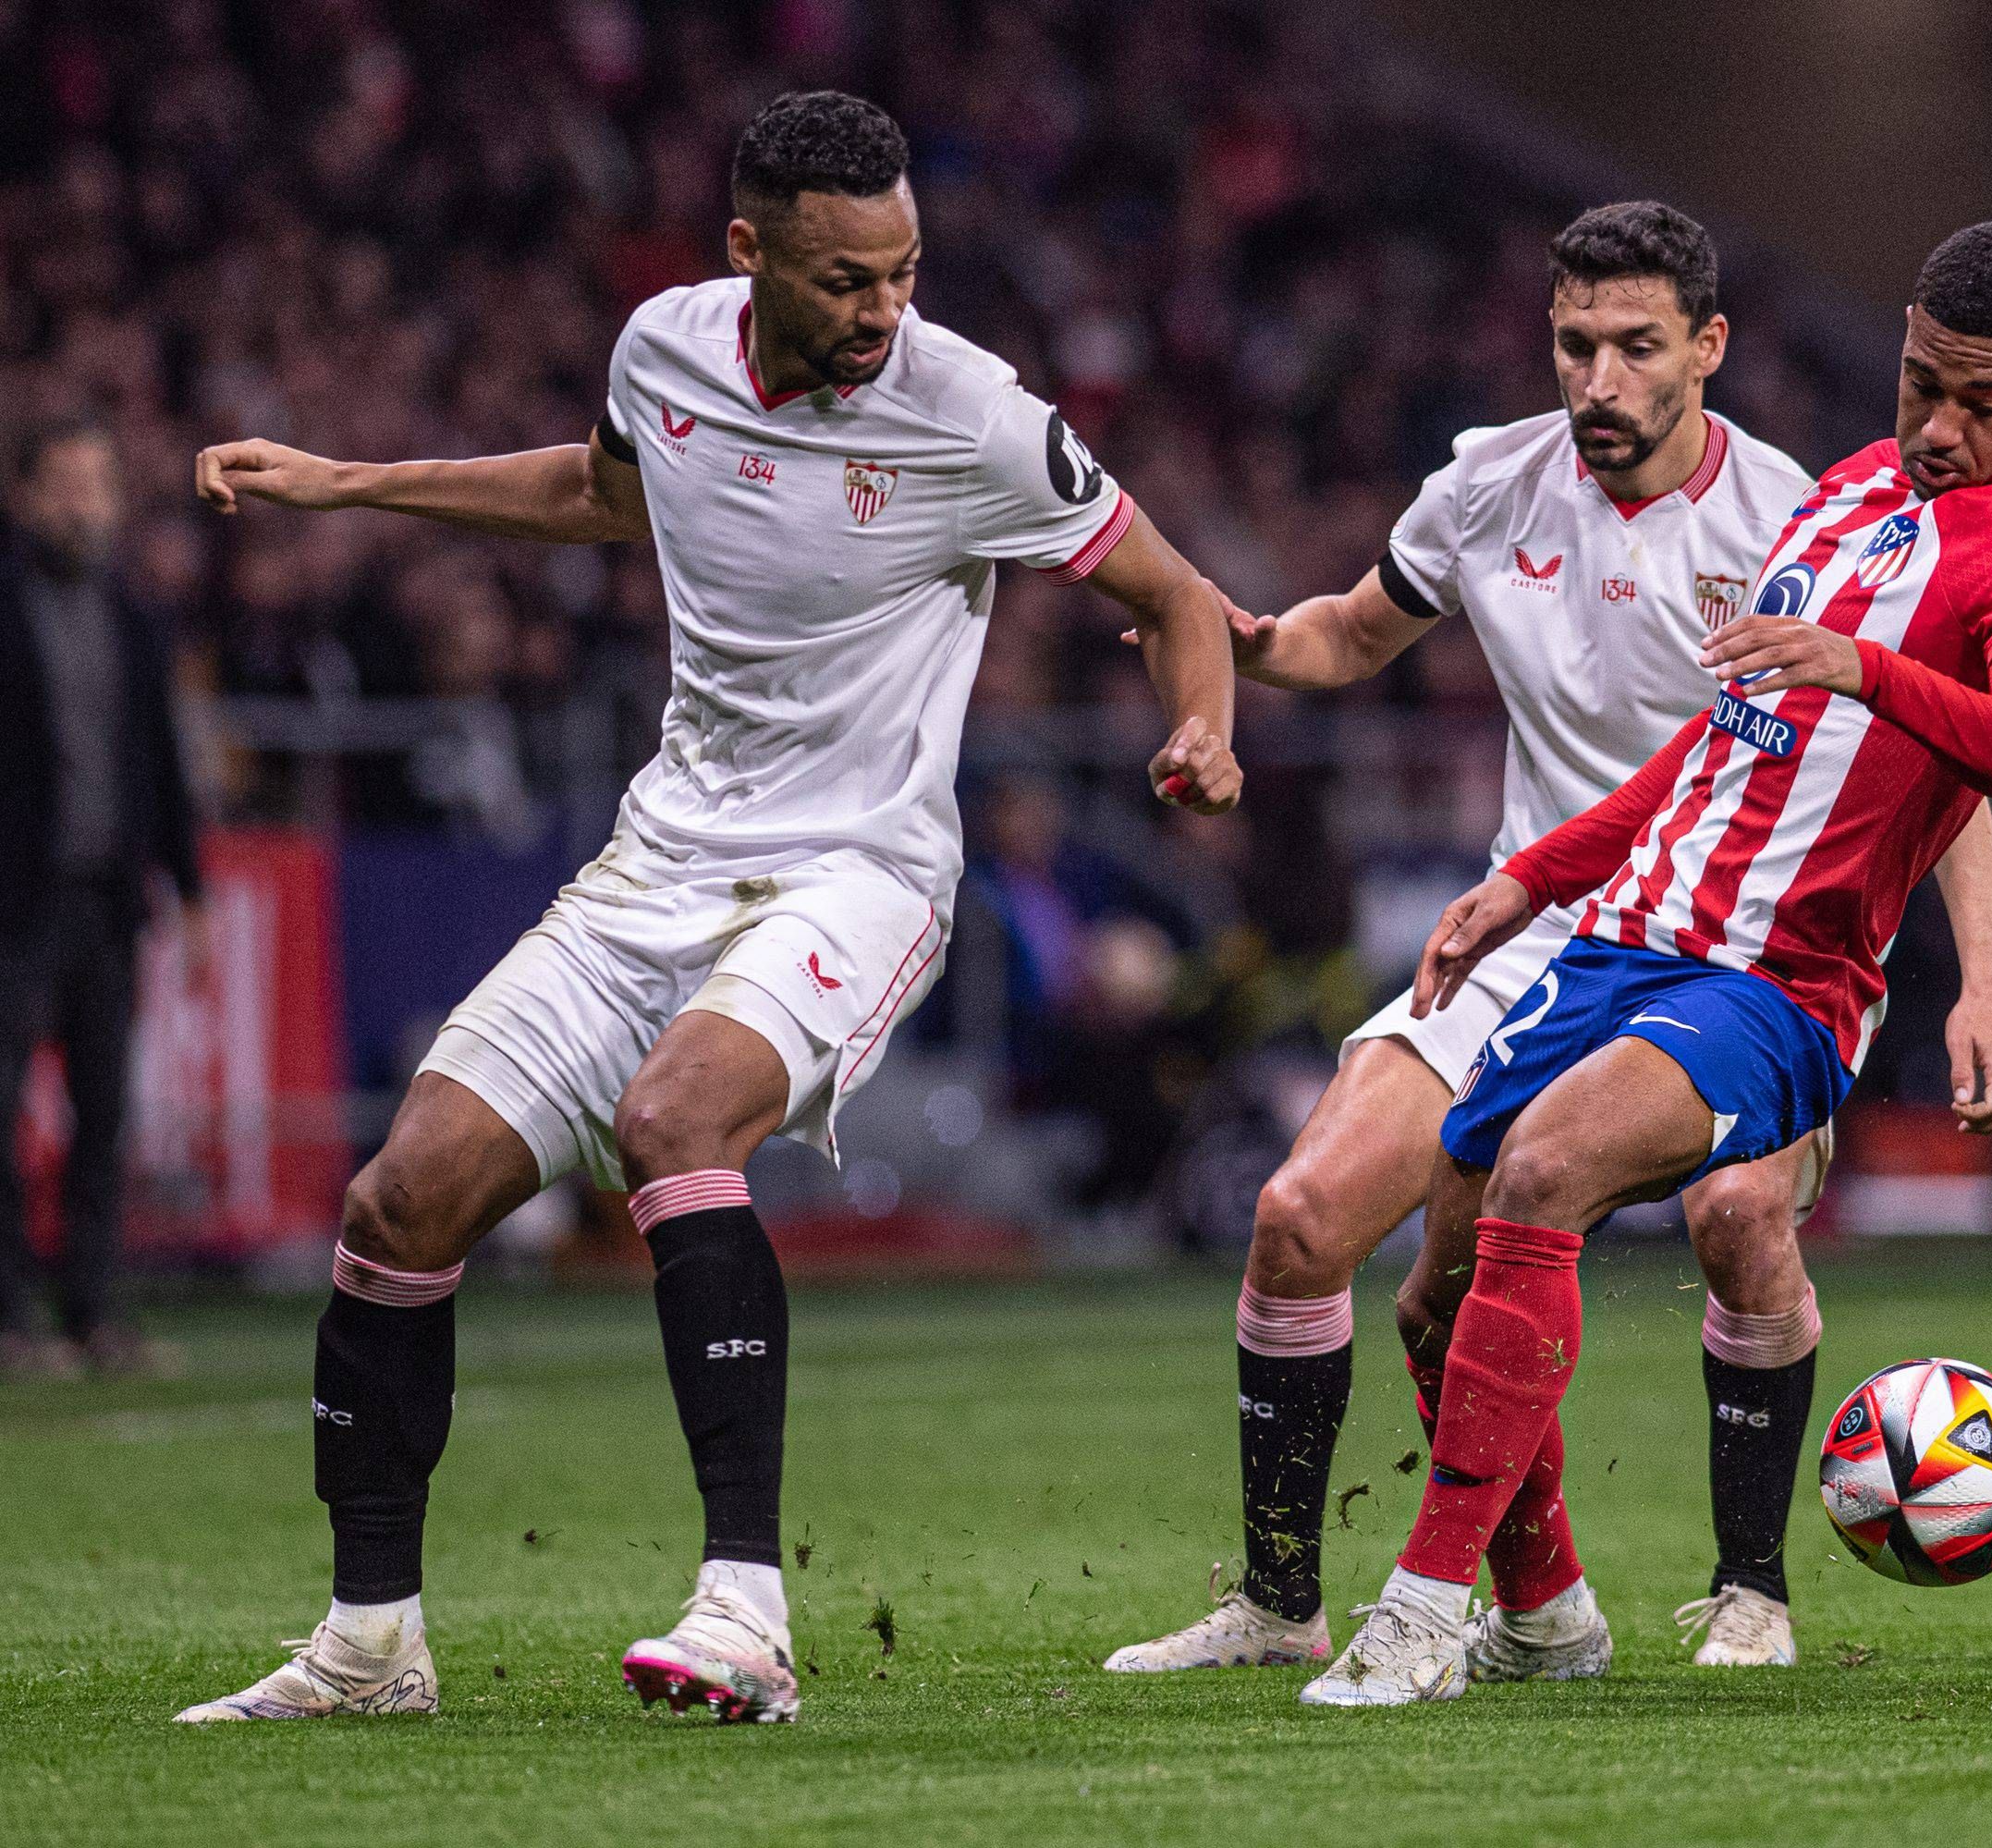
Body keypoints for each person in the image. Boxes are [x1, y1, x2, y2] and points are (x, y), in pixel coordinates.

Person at [174, 91, 1243, 1726]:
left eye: (903, 273)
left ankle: (745, 1607)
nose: (885, 311)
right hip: (659, 858)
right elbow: (604, 494)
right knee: (398, 1202)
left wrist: (1201, 723)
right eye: (844, 281)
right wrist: (345, 483)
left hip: (861, 868)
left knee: (679, 1117)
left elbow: (1175, 592)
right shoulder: (663, 347)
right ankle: (369, 1643)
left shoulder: (975, 417)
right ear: (748, 254)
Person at [1106, 203, 1992, 1683]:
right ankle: (1326, 1599)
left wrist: (1982, 978)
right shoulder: (1487, 484)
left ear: (1707, 351)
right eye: (1573, 343)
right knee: (1299, 1218)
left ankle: (1750, 1585)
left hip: (1748, 950)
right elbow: (1349, 633)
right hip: (1536, 929)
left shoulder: (1801, 515)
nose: (1597, 379)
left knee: (1739, 1221)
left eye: (1635, 347)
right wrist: (1222, 632)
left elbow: (1928, 759)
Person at [0, 423, 205, 1379]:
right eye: (66, 482)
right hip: (15, 901)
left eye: (99, 483)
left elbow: (161, 760)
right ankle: (10, 1318)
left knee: (102, 1116)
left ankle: (90, 1312)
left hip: (106, 902)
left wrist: (189, 885)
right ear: (26, 494)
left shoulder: (130, 611)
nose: (85, 502)